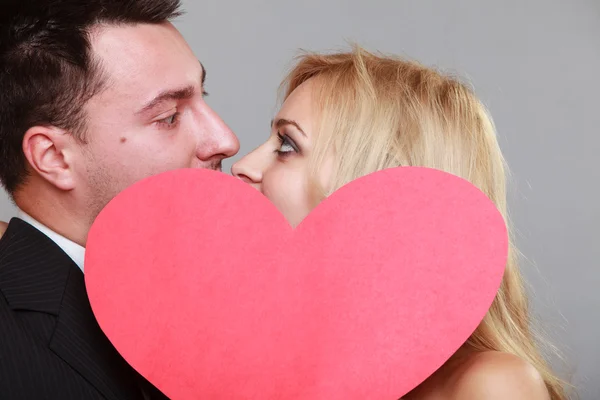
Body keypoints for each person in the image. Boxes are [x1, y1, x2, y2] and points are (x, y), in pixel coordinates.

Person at [231, 46, 570, 399]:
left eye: (287, 144)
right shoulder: (265, 357)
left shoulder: (487, 384)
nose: (243, 165)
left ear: (379, 187)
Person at [0, 0, 238, 398]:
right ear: (54, 157)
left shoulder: (207, 307)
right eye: (169, 116)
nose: (225, 140)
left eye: (203, 95)